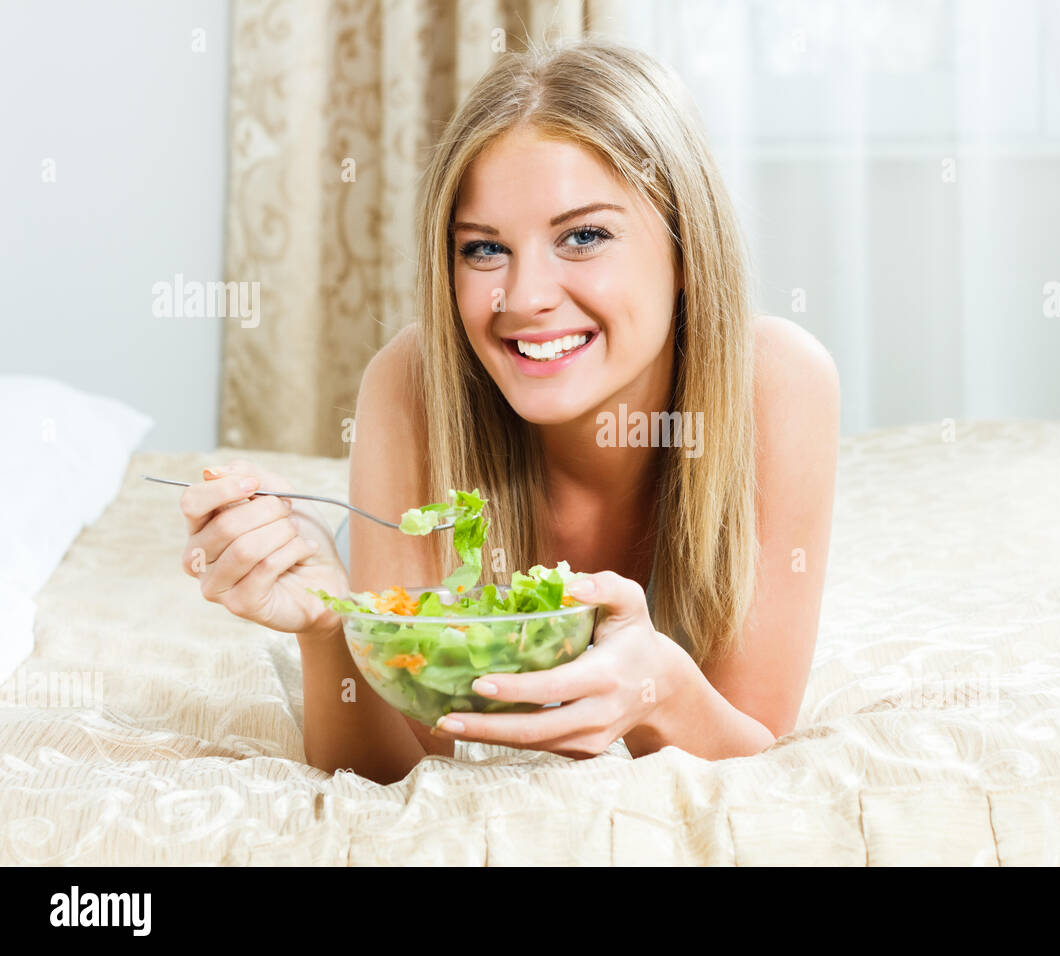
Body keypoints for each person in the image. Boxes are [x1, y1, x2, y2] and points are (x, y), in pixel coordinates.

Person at [179, 37, 839, 784]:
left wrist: (660, 687)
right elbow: (395, 775)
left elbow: (757, 764)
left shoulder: (779, 382)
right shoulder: (412, 382)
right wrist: (333, 629)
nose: (524, 298)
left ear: (686, 250)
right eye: (484, 250)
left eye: (584, 236)